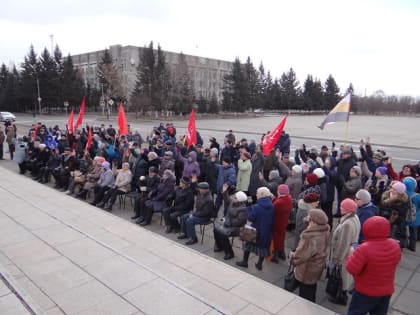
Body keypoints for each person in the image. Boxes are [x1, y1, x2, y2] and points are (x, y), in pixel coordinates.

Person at [346, 216, 401, 315]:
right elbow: (396, 261)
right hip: (385, 291)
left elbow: (352, 269)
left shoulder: (363, 249)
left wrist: (351, 254)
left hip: (365, 292)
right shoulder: (395, 245)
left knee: (356, 312)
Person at [289, 209, 330, 302]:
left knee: (305, 295)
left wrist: (292, 256)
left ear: (313, 221)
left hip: (307, 269)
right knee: (311, 289)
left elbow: (301, 256)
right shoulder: (325, 230)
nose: (306, 218)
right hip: (317, 266)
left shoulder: (309, 236)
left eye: (308, 217)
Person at [329, 199, 361, 305]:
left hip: (344, 256)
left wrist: (336, 260)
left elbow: (343, 244)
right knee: (345, 276)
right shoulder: (354, 217)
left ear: (348, 210)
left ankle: (341, 297)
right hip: (350, 252)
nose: (340, 208)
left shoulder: (347, 224)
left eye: (343, 207)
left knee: (342, 277)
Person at [236, 187, 274, 271]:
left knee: (248, 245)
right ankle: (259, 264)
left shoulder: (257, 207)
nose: (256, 194)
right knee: (263, 248)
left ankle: (245, 262)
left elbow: (250, 218)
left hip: (255, 231)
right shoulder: (272, 206)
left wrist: (249, 208)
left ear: (261, 195)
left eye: (257, 193)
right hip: (267, 232)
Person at [213, 191, 248, 260]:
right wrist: (225, 192)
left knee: (222, 234)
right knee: (216, 230)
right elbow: (227, 200)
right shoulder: (233, 203)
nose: (233, 198)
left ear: (239, 200)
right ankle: (220, 246)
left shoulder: (243, 209)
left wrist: (227, 222)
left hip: (237, 228)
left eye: (235, 197)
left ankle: (229, 253)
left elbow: (239, 221)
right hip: (228, 224)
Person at [380, 181, 409, 248]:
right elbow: (381, 207)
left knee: (392, 243)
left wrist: (391, 200)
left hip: (395, 226)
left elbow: (399, 214)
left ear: (399, 192)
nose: (391, 190)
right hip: (383, 222)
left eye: (394, 190)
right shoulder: (386, 195)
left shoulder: (403, 201)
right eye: (392, 188)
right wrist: (389, 200)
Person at [271, 184, 293, 262]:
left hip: (277, 222)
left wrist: (273, 199)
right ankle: (281, 253)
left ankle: (275, 256)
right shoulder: (289, 199)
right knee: (281, 237)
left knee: (276, 239)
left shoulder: (278, 203)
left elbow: (273, 209)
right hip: (284, 221)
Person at [403, 177, 420, 251]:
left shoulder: (402, 194)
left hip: (404, 216)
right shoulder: (418, 196)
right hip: (415, 218)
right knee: (413, 232)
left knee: (403, 230)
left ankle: (404, 243)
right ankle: (412, 246)